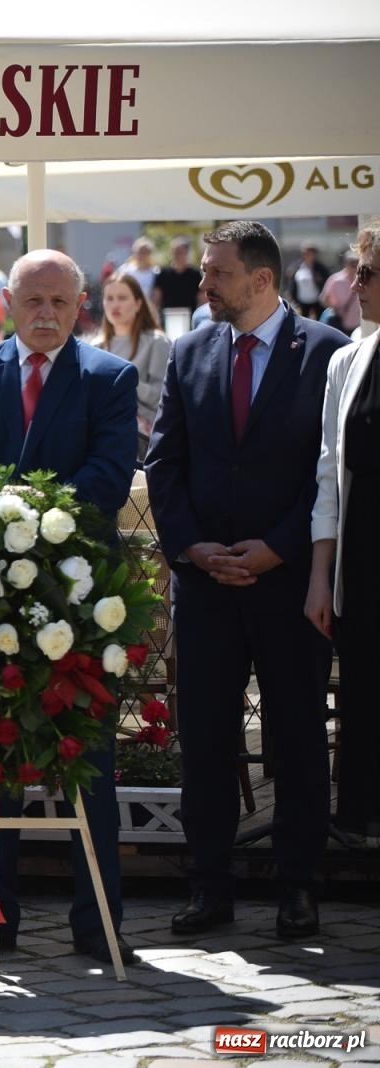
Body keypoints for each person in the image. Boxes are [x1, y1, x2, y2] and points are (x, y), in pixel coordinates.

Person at [0, 249, 139, 965]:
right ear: (7, 304)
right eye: (33, 301)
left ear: (80, 306)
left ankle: (98, 922)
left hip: (77, 601)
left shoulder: (109, 377)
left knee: (89, 763)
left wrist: (21, 515)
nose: (46, 314)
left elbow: (108, 478)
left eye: (59, 301)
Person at [147, 221, 350, 941]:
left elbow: (332, 472)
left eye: (217, 274)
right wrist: (191, 547)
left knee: (297, 737)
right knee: (205, 738)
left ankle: (298, 886)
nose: (202, 285)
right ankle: (209, 884)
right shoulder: (190, 351)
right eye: (204, 271)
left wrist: (279, 549)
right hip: (206, 586)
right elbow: (164, 462)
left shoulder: (327, 353)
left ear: (261, 280)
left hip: (290, 585)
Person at [307, 224, 380, 843]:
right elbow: (329, 472)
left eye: (369, 273)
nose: (355, 285)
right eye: (357, 272)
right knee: (363, 697)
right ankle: (360, 820)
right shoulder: (348, 359)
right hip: (362, 562)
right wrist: (319, 577)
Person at [94, 271, 173, 445]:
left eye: (122, 298)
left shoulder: (157, 342)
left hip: (143, 439)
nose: (115, 305)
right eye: (109, 298)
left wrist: (122, 381)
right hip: (101, 434)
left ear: (138, 304)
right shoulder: (95, 347)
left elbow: (162, 397)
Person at [154, 236, 202, 316]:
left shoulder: (195, 274)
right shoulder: (163, 274)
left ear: (186, 252)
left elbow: (202, 298)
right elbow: (156, 298)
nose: (177, 255)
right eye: (174, 251)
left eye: (180, 252)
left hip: (189, 316)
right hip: (167, 316)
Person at [285, 242, 332, 321]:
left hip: (317, 301)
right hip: (302, 301)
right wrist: (291, 293)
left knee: (319, 321)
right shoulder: (298, 266)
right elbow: (292, 280)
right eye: (305, 253)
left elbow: (327, 281)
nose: (307, 255)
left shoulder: (320, 268)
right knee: (304, 320)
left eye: (309, 253)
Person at [321, 251, 362, 334]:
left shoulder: (363, 280)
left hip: (358, 324)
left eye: (357, 263)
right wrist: (336, 309)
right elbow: (324, 299)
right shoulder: (335, 280)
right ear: (345, 264)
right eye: (352, 263)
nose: (355, 266)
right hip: (339, 323)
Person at [119, 237, 159, 303]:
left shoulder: (156, 272)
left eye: (145, 252)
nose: (142, 255)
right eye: (139, 252)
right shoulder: (125, 270)